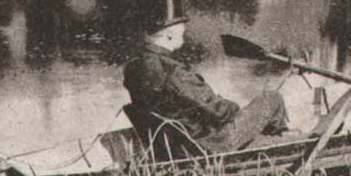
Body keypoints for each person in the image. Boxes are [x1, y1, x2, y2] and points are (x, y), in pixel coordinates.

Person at [122, 17, 291, 154]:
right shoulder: (173, 71)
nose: (184, 37)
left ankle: (265, 141)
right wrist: (242, 114)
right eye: (182, 33)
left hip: (173, 145)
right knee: (271, 98)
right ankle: (278, 146)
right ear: (169, 36)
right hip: (208, 144)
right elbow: (216, 110)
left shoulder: (134, 67)